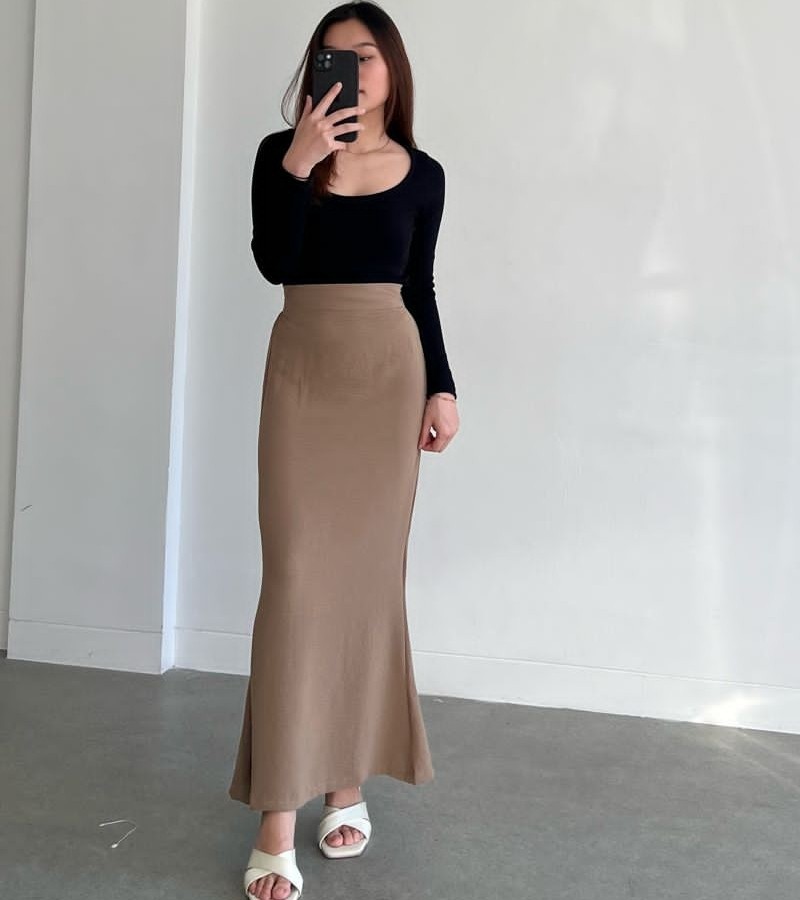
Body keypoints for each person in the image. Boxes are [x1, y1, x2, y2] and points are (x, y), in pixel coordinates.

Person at [227, 3, 460, 898]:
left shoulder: (425, 175)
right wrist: (299, 162)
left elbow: (419, 286)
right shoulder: (278, 154)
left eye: (366, 56)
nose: (353, 71)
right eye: (335, 57)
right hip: (304, 371)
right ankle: (276, 813)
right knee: (295, 584)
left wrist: (442, 385)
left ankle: (347, 784)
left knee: (366, 584)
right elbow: (272, 261)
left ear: (392, 69)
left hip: (388, 377)